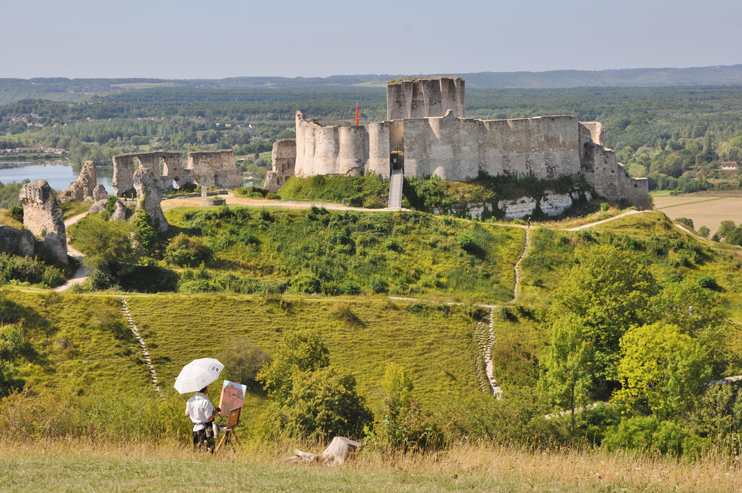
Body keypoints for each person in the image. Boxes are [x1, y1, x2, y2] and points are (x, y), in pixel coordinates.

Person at [185, 386, 220, 451]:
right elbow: (209, 418)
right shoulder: (205, 401)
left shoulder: (190, 400)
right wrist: (216, 412)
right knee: (208, 449)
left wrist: (195, 414)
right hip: (205, 428)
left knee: (197, 448)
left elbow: (187, 414)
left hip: (195, 428)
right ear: (205, 389)